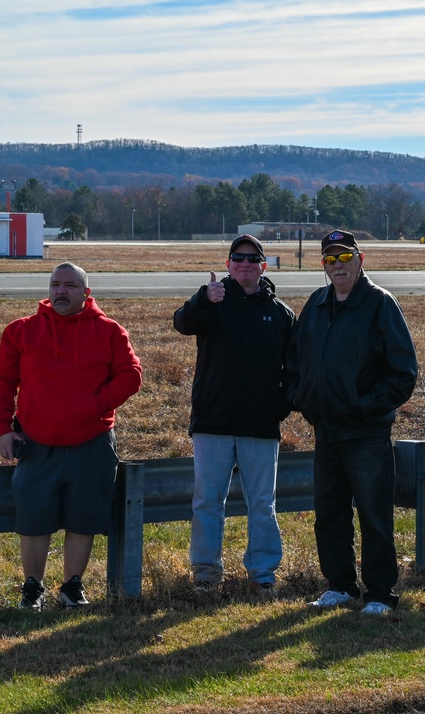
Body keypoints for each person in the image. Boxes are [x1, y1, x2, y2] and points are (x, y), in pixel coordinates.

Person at [0, 263, 142, 609]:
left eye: (70, 285)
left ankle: (72, 587)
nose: (61, 291)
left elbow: (131, 375)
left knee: (83, 516)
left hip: (92, 443)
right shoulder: (20, 331)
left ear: (86, 293)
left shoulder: (110, 332)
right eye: (55, 284)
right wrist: (2, 430)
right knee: (33, 517)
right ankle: (33, 588)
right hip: (35, 444)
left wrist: (93, 405)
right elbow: (2, 385)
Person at [287, 230, 418, 615]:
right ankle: (340, 585)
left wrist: (365, 406)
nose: (337, 266)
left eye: (344, 258)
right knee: (329, 514)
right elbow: (295, 360)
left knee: (375, 516)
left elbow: (402, 373)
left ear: (361, 260)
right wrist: (300, 398)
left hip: (366, 432)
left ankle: (380, 593)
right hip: (326, 430)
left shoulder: (379, 304)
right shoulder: (317, 304)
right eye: (330, 259)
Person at [173, 235, 296, 595]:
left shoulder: (281, 313)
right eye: (237, 258)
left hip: (260, 424)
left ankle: (262, 574)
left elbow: (294, 369)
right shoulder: (213, 301)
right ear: (227, 265)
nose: (244, 263)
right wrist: (202, 299)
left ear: (264, 266)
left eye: (252, 258)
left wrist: (280, 406)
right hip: (213, 421)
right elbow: (182, 322)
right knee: (208, 501)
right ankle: (206, 573)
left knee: (262, 503)